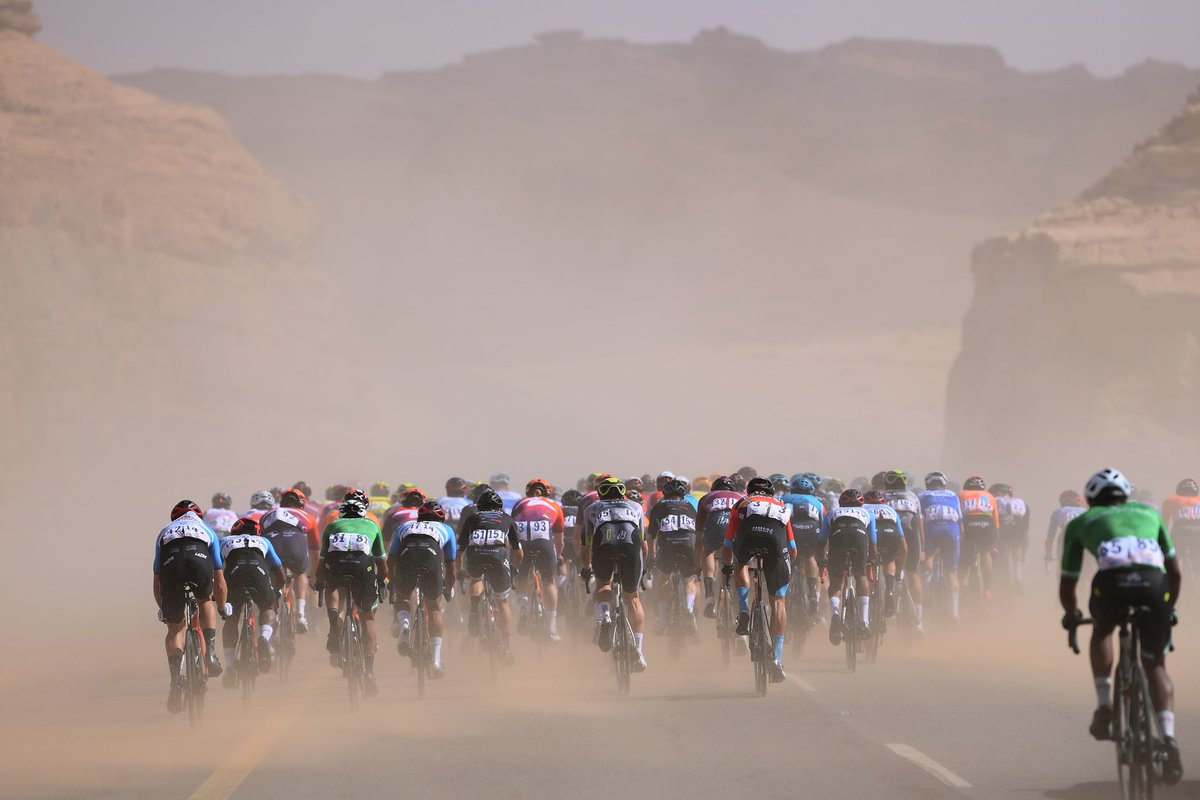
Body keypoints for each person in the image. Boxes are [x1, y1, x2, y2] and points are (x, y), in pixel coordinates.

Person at [1059, 468, 1183, 785]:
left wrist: (1072, 614)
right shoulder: (1148, 512)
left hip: (1112, 586)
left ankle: (1104, 707)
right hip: (1155, 586)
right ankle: (1168, 740)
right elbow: (1175, 572)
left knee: (1102, 630)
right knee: (1156, 665)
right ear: (1126, 495)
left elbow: (1069, 584)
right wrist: (1169, 607)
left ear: (1091, 498)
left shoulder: (1081, 522)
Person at [153, 501, 226, 713]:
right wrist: (221, 607)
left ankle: (176, 679)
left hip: (171, 564)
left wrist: (165, 610)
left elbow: (157, 581)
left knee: (175, 629)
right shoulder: (207, 529)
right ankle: (210, 654)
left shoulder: (164, 532)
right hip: (198, 560)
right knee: (205, 600)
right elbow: (219, 579)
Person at [722, 476, 796, 682]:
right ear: (771, 494)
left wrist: (728, 566)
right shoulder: (781, 505)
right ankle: (777, 659)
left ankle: (744, 611)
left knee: (741, 565)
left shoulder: (741, 503)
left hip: (748, 537)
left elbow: (727, 545)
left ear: (749, 491)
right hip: (776, 542)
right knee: (778, 600)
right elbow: (793, 549)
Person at [317, 490, 387, 696]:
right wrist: (382, 580)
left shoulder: (332, 526)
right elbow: (381, 563)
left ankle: (335, 622)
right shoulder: (372, 525)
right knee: (368, 617)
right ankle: (370, 672)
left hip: (336, 567)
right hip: (362, 568)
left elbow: (321, 566)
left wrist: (321, 582)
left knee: (331, 586)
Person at [581, 477, 649, 671]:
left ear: (600, 492)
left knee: (603, 585)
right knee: (633, 597)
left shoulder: (592, 508)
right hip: (630, 545)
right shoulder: (636, 506)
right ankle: (639, 651)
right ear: (622, 493)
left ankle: (606, 617)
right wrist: (642, 568)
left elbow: (586, 547)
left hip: (604, 544)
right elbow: (644, 545)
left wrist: (587, 569)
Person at [389, 501, 457, 677]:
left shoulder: (404, 526)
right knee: (434, 606)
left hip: (407, 557)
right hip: (431, 558)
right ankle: (435, 659)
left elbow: (391, 559)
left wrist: (392, 582)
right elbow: (450, 566)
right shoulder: (447, 530)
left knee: (403, 597)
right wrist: (449, 588)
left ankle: (404, 622)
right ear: (441, 518)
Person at [458, 488, 523, 662]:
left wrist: (459, 571)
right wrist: (514, 569)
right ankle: (507, 647)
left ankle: (474, 607)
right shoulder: (507, 519)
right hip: (498, 557)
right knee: (502, 601)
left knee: (476, 578)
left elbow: (460, 550)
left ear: (479, 506)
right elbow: (518, 552)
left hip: (475, 555)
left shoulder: (472, 518)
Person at [218, 517, 286, 686]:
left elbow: (215, 568)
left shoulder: (224, 540)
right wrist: (275, 593)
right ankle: (264, 636)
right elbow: (279, 572)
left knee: (232, 618)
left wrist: (216, 595)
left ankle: (230, 666)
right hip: (258, 571)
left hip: (235, 573)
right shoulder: (263, 541)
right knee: (267, 607)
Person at [820, 489, 877, 645]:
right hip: (859, 536)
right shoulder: (867, 513)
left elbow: (822, 540)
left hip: (839, 537)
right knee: (860, 575)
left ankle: (835, 614)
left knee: (837, 581)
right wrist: (873, 559)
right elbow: (873, 542)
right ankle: (865, 621)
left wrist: (821, 560)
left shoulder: (832, 512)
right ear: (861, 503)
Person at [511, 478, 565, 642]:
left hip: (522, 542)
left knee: (520, 577)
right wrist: (557, 556)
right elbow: (559, 540)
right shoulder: (555, 506)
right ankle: (552, 628)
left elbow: (513, 530)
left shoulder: (519, 503)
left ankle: (524, 607)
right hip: (544, 542)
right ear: (549, 492)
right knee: (549, 582)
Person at [259, 488, 317, 633]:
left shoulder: (267, 515)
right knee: (300, 573)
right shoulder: (308, 516)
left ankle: (274, 613)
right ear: (301, 504)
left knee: (274, 575)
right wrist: (314, 575)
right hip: (294, 544)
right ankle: (301, 614)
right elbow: (314, 549)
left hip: (273, 544)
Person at [647, 477, 700, 634]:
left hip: (668, 545)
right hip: (688, 544)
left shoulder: (660, 506)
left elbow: (651, 536)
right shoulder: (690, 505)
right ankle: (689, 608)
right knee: (690, 580)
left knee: (663, 579)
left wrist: (651, 557)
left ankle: (662, 620)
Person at [695, 476, 743, 618]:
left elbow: (698, 536)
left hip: (715, 525)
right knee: (740, 561)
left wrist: (698, 565)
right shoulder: (741, 496)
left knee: (708, 550)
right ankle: (740, 600)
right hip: (735, 526)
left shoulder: (707, 497)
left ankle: (710, 594)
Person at [884, 470, 924, 633]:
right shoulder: (913, 496)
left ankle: (889, 598)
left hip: (890, 534)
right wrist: (923, 546)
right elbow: (919, 525)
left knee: (889, 564)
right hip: (911, 535)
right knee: (913, 572)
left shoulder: (882, 495)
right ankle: (920, 621)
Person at [920, 471, 962, 622]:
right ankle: (955, 612)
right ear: (944, 484)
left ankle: (926, 594)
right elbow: (960, 523)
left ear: (928, 485)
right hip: (951, 531)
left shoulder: (923, 496)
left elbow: (921, 519)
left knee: (928, 562)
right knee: (952, 573)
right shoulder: (953, 495)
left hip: (931, 530)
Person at [781, 476, 825, 618]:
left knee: (785, 557)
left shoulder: (785, 498)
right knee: (809, 556)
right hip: (812, 529)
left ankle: (785, 588)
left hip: (792, 529)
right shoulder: (817, 502)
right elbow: (824, 524)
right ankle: (812, 591)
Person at [864, 490, 908, 615]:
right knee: (889, 561)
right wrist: (898, 572)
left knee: (867, 562)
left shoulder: (863, 507)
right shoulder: (890, 510)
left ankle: (869, 591)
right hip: (891, 532)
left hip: (873, 532)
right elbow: (903, 546)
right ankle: (889, 589)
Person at [958, 476, 999, 603]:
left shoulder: (960, 494)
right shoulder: (990, 496)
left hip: (969, 523)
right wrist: (993, 544)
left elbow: (956, 517)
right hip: (987, 524)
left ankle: (962, 585)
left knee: (964, 558)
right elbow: (996, 522)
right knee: (986, 552)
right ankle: (987, 586)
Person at [991, 483, 1031, 589]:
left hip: (1002, 527)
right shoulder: (1021, 502)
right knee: (1017, 545)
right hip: (1018, 528)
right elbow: (1026, 530)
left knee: (994, 543)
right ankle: (1018, 576)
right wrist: (1025, 551)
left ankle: (994, 574)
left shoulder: (994, 500)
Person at [1161, 478, 1200, 568]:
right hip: (1198, 530)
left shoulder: (1170, 500)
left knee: (1172, 558)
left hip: (1180, 530)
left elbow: (1164, 523)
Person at [1045, 491, 1088, 571]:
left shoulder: (1058, 511)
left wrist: (1048, 553)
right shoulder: (1085, 511)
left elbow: (1051, 536)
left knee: (1062, 566)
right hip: (1084, 538)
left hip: (1066, 537)